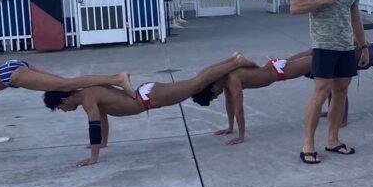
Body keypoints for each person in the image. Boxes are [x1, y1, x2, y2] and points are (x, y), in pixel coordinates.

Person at [0, 62, 134, 175]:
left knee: (67, 85)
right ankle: (113, 82)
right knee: (65, 84)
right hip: (11, 69)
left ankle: (117, 78)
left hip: (11, 74)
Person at [43, 55, 256, 166]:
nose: (63, 111)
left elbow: (95, 127)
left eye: (60, 108)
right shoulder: (89, 95)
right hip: (146, 93)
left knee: (198, 82)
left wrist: (93, 158)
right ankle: (232, 60)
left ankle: (235, 62)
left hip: (150, 97)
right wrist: (103, 144)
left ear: (63, 99)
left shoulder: (88, 99)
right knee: (195, 82)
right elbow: (104, 121)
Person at [290, 0, 367, 164]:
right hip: (323, 45)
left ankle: (333, 141)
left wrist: (363, 47)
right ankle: (308, 145)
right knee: (321, 93)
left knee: (341, 93)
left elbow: (355, 19)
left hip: (346, 47)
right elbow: (295, 7)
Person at [191, 51, 314, 144]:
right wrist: (230, 127)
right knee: (314, 53)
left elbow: (239, 110)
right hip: (275, 67)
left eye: (214, 97)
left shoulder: (232, 80)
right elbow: (230, 104)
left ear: (212, 89)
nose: (217, 96)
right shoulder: (225, 80)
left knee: (319, 59)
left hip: (280, 72)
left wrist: (241, 136)